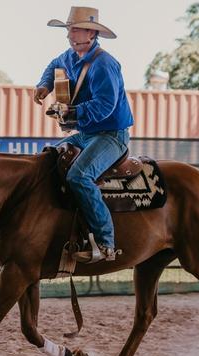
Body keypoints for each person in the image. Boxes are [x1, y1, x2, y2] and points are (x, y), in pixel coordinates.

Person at [34, 6, 134, 263]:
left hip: (111, 135)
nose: (69, 33)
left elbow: (105, 106)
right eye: (68, 28)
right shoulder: (68, 56)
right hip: (87, 133)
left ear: (91, 33)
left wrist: (72, 111)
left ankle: (106, 243)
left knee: (79, 176)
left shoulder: (105, 64)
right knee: (48, 159)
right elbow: (53, 65)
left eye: (75, 28)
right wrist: (44, 85)